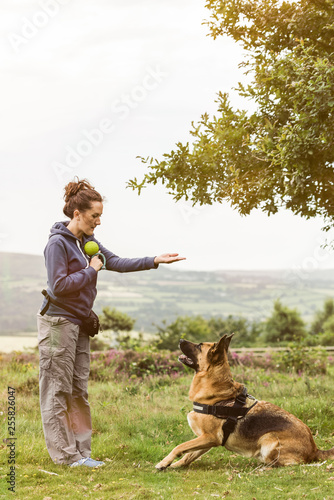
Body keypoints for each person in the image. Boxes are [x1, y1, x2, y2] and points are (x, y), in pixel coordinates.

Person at [37, 178, 185, 467]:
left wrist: (154, 260)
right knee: (57, 389)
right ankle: (65, 457)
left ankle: (82, 453)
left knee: (79, 389)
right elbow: (59, 286)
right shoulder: (58, 244)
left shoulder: (87, 242)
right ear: (77, 214)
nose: (99, 221)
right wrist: (92, 271)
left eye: (101, 216)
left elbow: (115, 262)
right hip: (58, 324)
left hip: (79, 323)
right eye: (95, 216)